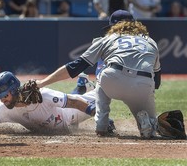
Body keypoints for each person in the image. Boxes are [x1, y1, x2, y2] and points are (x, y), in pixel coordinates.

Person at [35, 9, 161, 139]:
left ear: (114, 26)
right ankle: (147, 122)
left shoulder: (107, 39)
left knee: (102, 74)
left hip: (113, 78)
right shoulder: (151, 41)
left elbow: (76, 66)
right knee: (151, 126)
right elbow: (157, 83)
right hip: (143, 84)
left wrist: (43, 83)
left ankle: (102, 125)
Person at [0, 71, 115, 136]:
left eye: (5, 95)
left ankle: (84, 86)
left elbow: (74, 102)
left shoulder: (43, 94)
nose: (3, 99)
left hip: (69, 116)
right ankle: (81, 85)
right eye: (0, 96)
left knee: (106, 91)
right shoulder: (4, 108)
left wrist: (99, 117)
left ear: (14, 90)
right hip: (61, 118)